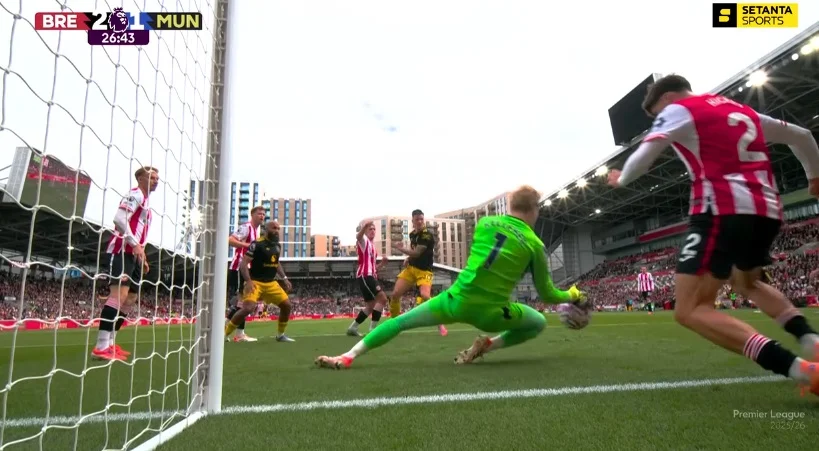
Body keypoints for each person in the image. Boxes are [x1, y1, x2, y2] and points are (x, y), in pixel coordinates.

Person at [607, 74, 819, 395]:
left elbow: (645, 156)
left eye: (655, 114)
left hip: (721, 209)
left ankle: (802, 371)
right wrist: (815, 177)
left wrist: (622, 178)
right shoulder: (742, 111)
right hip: (767, 210)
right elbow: (802, 136)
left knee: (691, 310)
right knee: (747, 283)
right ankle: (812, 341)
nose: (657, 119)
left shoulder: (680, 108)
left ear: (666, 99)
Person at [315, 185, 588, 370]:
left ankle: (347, 356)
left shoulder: (485, 223)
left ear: (511, 205)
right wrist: (574, 294)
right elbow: (548, 293)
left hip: (454, 301)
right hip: (492, 313)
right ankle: (488, 345)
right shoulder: (535, 245)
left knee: (399, 322)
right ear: (534, 209)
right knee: (538, 322)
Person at [92, 166, 158, 361]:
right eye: (151, 177)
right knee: (119, 295)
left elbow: (140, 232)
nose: (155, 181)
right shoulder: (135, 194)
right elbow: (119, 219)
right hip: (121, 250)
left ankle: (111, 342)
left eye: (157, 178)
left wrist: (142, 255)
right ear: (140, 178)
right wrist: (134, 244)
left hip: (134, 255)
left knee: (130, 299)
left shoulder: (146, 204)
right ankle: (101, 346)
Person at [224, 220, 295, 343]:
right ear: (266, 230)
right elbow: (243, 264)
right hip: (256, 282)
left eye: (278, 229)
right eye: (274, 228)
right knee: (247, 308)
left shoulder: (277, 246)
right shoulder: (256, 244)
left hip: (271, 283)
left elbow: (276, 263)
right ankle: (225, 335)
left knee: (287, 305)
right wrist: (248, 281)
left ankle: (280, 335)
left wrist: (284, 278)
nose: (277, 231)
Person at [389, 209, 447, 336]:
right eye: (417, 219)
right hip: (411, 269)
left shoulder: (427, 236)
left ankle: (439, 322)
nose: (420, 221)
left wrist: (401, 249)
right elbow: (414, 251)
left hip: (424, 271)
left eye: (421, 219)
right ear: (413, 221)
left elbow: (417, 253)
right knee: (395, 294)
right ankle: (394, 324)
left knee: (425, 296)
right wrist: (408, 258)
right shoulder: (412, 235)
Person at [225, 206, 265, 342]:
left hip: (246, 270)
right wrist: (248, 245)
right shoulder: (246, 227)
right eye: (259, 213)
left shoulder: (255, 232)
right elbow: (230, 240)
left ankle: (239, 333)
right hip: (238, 268)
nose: (262, 216)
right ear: (252, 215)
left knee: (245, 303)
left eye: (263, 214)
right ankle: (223, 329)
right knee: (240, 303)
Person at [347, 220, 390, 336]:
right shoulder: (364, 241)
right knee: (383, 299)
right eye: (370, 229)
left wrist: (382, 264)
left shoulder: (373, 248)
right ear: (365, 231)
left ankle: (353, 328)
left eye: (374, 229)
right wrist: (364, 226)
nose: (372, 230)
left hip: (369, 275)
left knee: (371, 306)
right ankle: (372, 330)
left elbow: (374, 267)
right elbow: (358, 237)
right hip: (365, 275)